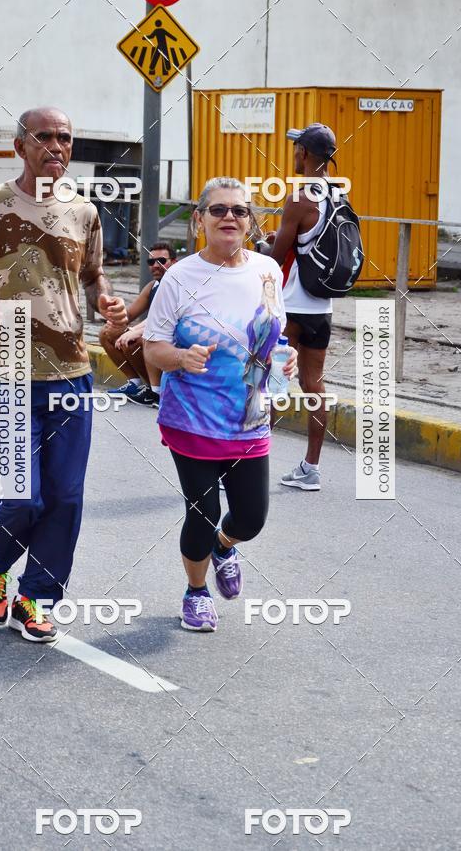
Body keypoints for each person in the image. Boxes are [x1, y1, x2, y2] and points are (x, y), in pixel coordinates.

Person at [0, 107, 128, 642]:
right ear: (21, 146)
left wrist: (105, 300)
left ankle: (37, 598)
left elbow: (93, 276)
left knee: (65, 497)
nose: (57, 146)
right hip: (8, 363)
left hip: (72, 368)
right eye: (45, 137)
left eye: (65, 138)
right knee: (21, 497)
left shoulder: (84, 211)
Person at [144, 177, 295, 632]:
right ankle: (195, 592)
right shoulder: (179, 278)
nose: (229, 217)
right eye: (218, 210)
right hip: (193, 419)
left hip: (249, 419)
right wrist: (181, 357)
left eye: (239, 210)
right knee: (203, 513)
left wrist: (283, 358)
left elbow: (273, 334)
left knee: (251, 518)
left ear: (250, 222)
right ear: (199, 220)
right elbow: (153, 347)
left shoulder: (268, 271)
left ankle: (224, 547)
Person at [269, 123, 337, 492]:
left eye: (297, 147)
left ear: (305, 154)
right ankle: (311, 468)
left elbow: (276, 258)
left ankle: (247, 462)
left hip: (291, 306)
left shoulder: (298, 199)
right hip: (322, 306)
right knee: (314, 384)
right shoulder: (339, 195)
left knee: (273, 379)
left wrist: (262, 247)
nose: (294, 153)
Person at [100, 242, 176, 406]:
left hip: (171, 339)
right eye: (151, 262)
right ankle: (135, 384)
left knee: (135, 341)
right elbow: (129, 314)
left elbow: (163, 317)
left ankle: (155, 392)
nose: (156, 265)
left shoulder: (176, 285)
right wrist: (114, 315)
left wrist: (133, 331)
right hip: (153, 330)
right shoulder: (152, 286)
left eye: (161, 261)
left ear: (174, 262)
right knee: (106, 333)